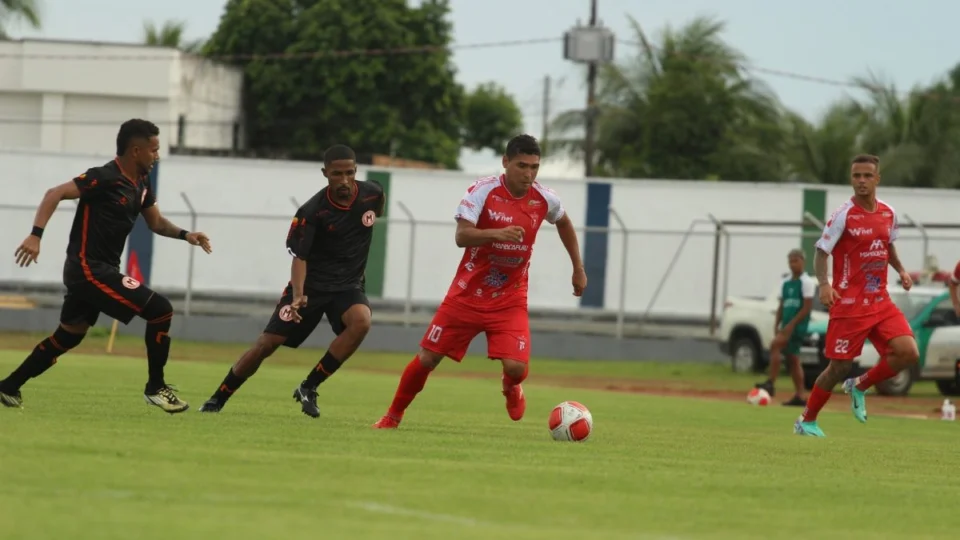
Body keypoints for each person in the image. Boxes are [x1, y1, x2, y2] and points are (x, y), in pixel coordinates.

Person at [372, 134, 587, 429]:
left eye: (534, 167)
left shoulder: (544, 198)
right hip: (467, 294)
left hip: (509, 297)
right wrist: (495, 233)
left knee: (516, 367)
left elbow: (563, 221)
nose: (528, 174)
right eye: (522, 165)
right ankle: (392, 416)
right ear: (505, 162)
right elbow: (461, 236)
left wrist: (578, 268)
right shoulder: (482, 191)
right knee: (427, 358)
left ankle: (511, 387)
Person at [0, 119, 212, 413]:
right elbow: (54, 193)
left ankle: (9, 386)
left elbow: (156, 223)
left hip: (98, 270)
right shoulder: (104, 177)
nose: (157, 156)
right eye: (154, 150)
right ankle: (155, 387)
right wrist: (35, 236)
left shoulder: (141, 184)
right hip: (88, 269)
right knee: (161, 310)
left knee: (69, 334)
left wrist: (186, 235)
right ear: (136, 150)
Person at [198, 145, 383, 417]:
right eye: (336, 174)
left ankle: (309, 386)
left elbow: (364, 227)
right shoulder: (312, 212)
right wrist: (298, 296)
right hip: (310, 287)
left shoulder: (372, 195)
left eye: (349, 173)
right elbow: (299, 257)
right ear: (324, 174)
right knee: (266, 345)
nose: (344, 180)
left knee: (362, 321)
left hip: (347, 287)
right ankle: (218, 398)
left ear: (356, 171)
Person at [794, 154, 919, 437]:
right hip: (849, 304)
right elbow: (821, 252)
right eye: (856, 176)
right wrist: (824, 284)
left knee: (908, 352)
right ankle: (807, 420)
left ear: (877, 178)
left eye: (866, 176)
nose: (861, 181)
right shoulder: (843, 215)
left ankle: (860, 385)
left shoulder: (888, 212)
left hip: (880, 300)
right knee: (838, 367)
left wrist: (901, 270)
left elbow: (886, 246)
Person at [754, 249, 815, 407]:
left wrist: (791, 325)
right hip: (786, 325)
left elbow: (806, 308)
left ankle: (770, 383)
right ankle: (800, 396)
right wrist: (777, 323)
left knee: (775, 345)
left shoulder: (807, 282)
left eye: (796, 260)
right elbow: (782, 305)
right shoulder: (786, 282)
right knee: (793, 359)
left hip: (797, 326)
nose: (793, 264)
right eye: (790, 261)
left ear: (803, 261)